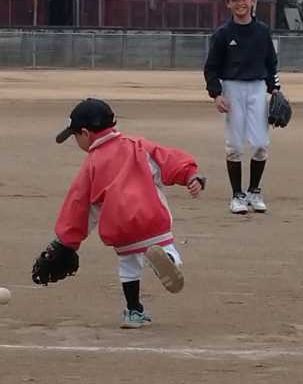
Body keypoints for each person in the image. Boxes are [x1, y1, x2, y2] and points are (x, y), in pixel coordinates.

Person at [51, 98, 205, 329]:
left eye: (75, 136)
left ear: (85, 133)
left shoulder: (91, 164)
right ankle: (169, 260)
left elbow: (79, 206)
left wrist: (67, 242)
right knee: (165, 248)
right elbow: (169, 161)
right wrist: (191, 176)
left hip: (119, 227)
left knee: (128, 266)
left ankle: (133, 311)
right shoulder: (137, 145)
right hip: (150, 218)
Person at [203, 0, 281, 214]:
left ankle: (253, 192)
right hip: (232, 88)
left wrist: (275, 90)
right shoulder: (223, 34)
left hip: (257, 88)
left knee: (260, 144)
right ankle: (237, 195)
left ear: (253, 0)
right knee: (235, 145)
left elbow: (271, 64)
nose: (240, 3)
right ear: (228, 4)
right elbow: (211, 68)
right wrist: (217, 94)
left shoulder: (262, 31)